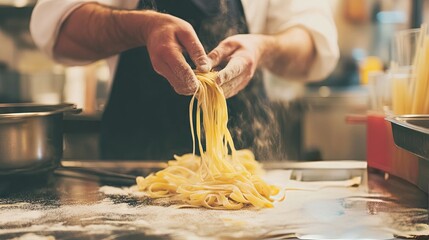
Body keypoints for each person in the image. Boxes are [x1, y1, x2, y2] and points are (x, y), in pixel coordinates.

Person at [30, 0, 339, 160]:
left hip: (242, 166)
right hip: (134, 170)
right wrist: (142, 28)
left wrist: (263, 48)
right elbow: (56, 27)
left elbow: (314, 42)